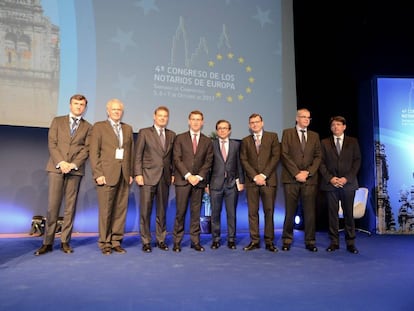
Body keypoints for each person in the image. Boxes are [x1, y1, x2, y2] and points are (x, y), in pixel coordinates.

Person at [34, 94, 92, 256]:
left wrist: (73, 164)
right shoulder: (57, 121)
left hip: (75, 170)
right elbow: (52, 143)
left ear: (85, 108)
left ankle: (65, 241)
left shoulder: (88, 127)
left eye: (81, 105)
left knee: (70, 207)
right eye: (76, 103)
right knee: (53, 206)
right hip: (56, 168)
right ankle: (47, 242)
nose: (78, 107)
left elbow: (86, 149)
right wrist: (62, 162)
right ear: (70, 105)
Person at [89, 98, 134, 255]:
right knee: (106, 210)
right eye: (114, 109)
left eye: (119, 110)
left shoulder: (127, 129)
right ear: (108, 111)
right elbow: (94, 153)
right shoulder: (99, 127)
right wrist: (98, 174)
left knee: (120, 210)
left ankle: (116, 241)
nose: (117, 112)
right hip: (106, 175)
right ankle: (105, 242)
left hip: (124, 175)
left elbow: (130, 153)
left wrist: (131, 173)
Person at [134, 106, 176, 253]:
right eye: (160, 116)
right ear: (154, 116)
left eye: (165, 116)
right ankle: (146, 241)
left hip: (164, 178)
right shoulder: (144, 132)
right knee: (145, 211)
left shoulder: (171, 135)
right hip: (147, 177)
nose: (163, 118)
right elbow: (137, 155)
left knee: (162, 211)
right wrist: (138, 174)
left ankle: (161, 239)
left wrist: (172, 173)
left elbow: (172, 158)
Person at [280, 108, 321, 252]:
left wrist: (308, 172)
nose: (306, 120)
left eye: (308, 118)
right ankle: (286, 239)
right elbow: (284, 154)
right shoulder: (287, 133)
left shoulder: (315, 136)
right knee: (290, 211)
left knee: (309, 212)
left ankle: (310, 241)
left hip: (310, 180)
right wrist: (297, 173)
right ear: (297, 118)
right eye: (303, 117)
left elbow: (318, 156)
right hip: (291, 179)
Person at [172, 110, 213, 252]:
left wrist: (199, 177)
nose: (196, 122)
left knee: (196, 213)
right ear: (189, 121)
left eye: (198, 119)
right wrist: (188, 175)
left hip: (199, 182)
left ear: (202, 122)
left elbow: (208, 161)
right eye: (193, 119)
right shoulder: (179, 138)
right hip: (183, 181)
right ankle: (177, 241)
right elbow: (177, 159)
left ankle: (195, 241)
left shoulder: (207, 141)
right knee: (180, 212)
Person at [319, 115, 361, 254]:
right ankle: (334, 242)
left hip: (348, 184)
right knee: (332, 215)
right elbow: (321, 163)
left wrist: (346, 178)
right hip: (331, 184)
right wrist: (331, 178)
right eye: (333, 125)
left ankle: (350, 243)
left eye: (338, 124)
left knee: (349, 214)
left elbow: (357, 161)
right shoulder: (324, 142)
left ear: (344, 127)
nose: (335, 127)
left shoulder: (353, 142)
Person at [240, 113, 280, 252]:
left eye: (257, 122)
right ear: (249, 125)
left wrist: (263, 175)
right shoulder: (245, 141)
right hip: (252, 182)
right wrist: (255, 176)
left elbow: (275, 157)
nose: (254, 124)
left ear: (262, 123)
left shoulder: (272, 136)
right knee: (252, 212)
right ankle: (254, 241)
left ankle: (269, 241)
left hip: (268, 181)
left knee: (269, 211)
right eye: (252, 122)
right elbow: (244, 160)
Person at [207, 120, 244, 250]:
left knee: (231, 214)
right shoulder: (211, 145)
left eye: (225, 128)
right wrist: (206, 184)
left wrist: (241, 181)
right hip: (215, 185)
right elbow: (208, 166)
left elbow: (239, 164)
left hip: (232, 184)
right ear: (217, 131)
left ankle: (231, 239)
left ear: (229, 130)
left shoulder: (236, 145)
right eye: (220, 128)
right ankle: (216, 239)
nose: (222, 130)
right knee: (215, 214)